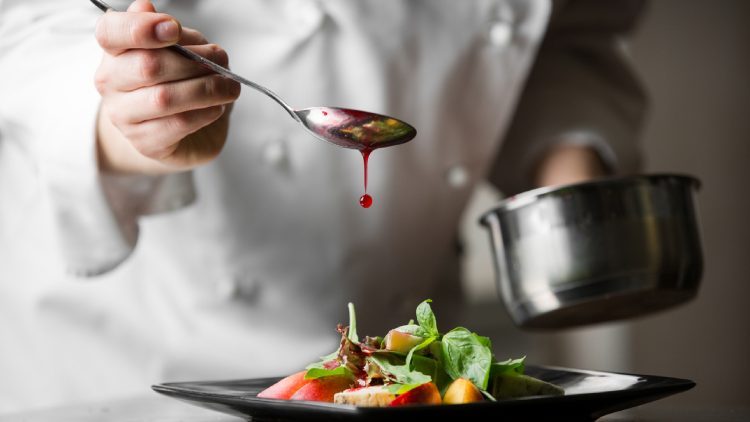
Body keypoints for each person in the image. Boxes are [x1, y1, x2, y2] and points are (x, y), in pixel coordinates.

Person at [0, 0, 646, 412]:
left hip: (416, 362)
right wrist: (135, 117)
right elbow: (26, 29)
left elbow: (560, 37)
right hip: (137, 361)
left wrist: (570, 181)